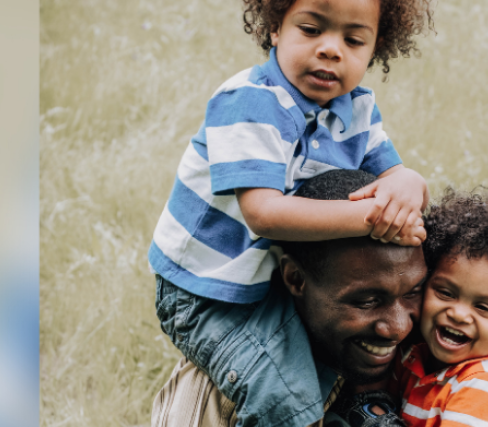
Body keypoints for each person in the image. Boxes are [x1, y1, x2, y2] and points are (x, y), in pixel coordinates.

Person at [152, 170, 488, 427]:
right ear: (295, 281)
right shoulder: (234, 376)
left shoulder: (451, 325)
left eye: (413, 292)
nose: (397, 325)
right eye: (366, 301)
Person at [147, 0, 435, 425]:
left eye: (353, 40)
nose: (331, 49)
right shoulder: (251, 102)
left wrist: (409, 180)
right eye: (311, 29)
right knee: (284, 397)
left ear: (375, 49)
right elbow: (265, 214)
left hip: (272, 276)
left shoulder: (355, 108)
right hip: (209, 290)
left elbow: (391, 175)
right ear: (276, 28)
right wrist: (374, 218)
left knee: (323, 371)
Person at [337, 188, 488, 427]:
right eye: (445, 293)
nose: (459, 314)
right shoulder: (416, 354)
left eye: (483, 307)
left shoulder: (483, 387)